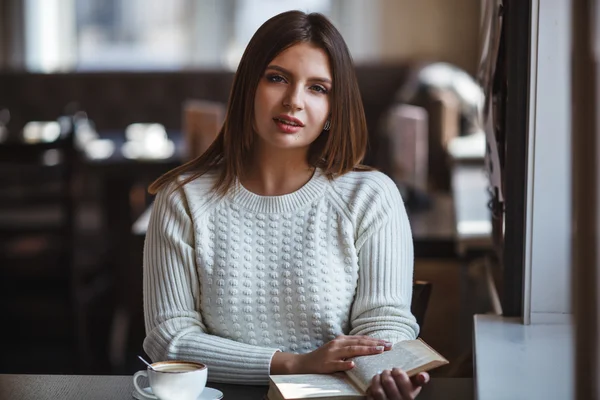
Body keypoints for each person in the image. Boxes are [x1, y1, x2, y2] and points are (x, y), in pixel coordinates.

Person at [143, 10, 429, 400]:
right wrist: (294, 362)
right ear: (248, 88)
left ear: (332, 110)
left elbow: (385, 320)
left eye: (318, 88)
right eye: (277, 78)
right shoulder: (183, 198)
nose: (294, 101)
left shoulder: (371, 195)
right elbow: (170, 340)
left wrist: (382, 373)